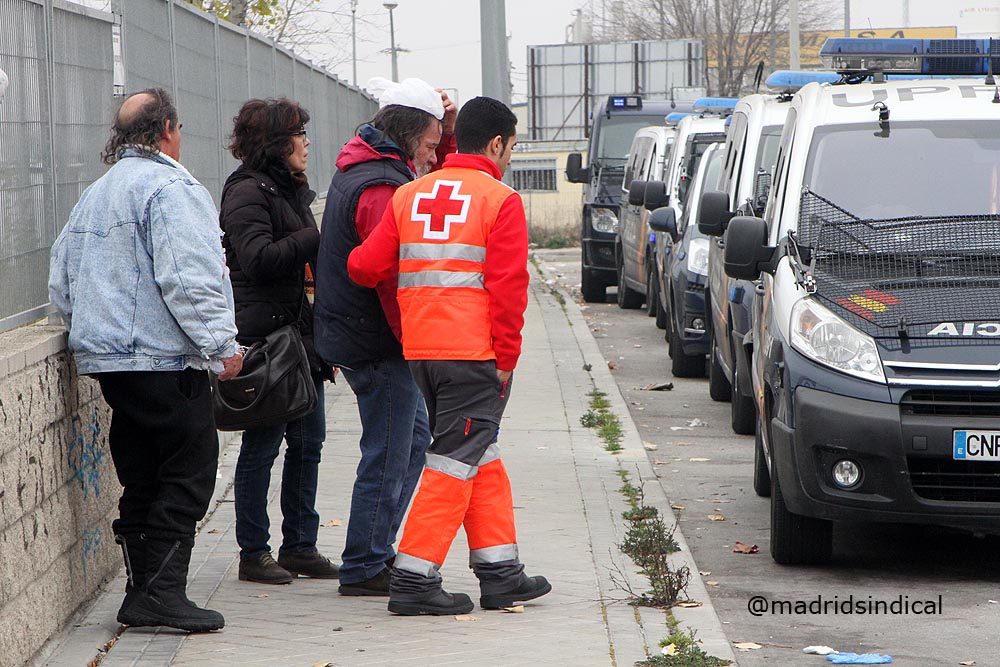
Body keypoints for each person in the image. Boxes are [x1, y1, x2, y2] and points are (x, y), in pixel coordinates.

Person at [347, 96, 551, 615]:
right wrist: (507, 358)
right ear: (498, 143)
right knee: (454, 462)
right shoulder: (500, 200)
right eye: (511, 147)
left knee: (479, 455)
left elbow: (363, 266)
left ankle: (501, 573)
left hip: (421, 353)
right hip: (474, 355)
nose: (510, 158)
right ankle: (414, 579)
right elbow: (509, 289)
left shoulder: (408, 195)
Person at [48, 87, 242, 632]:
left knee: (142, 475)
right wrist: (221, 347)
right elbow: (188, 277)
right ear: (169, 131)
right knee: (188, 470)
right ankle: (160, 593)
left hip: (108, 361)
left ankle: (143, 593)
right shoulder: (171, 187)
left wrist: (87, 329)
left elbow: (61, 278)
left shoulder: (98, 192)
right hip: (163, 360)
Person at [314, 78, 457, 597]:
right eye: (429, 142)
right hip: (377, 343)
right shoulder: (381, 187)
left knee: (411, 440)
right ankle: (366, 563)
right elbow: (387, 275)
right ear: (408, 133)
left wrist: (451, 123)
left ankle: (375, 551)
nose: (432, 153)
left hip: (364, 338)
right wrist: (417, 344)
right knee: (390, 451)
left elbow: (442, 176)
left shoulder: (374, 169)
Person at [220, 98, 338, 585]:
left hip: (298, 337)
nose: (306, 142)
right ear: (274, 142)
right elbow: (259, 259)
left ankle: (300, 545)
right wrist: (318, 237)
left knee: (309, 443)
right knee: (263, 444)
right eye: (298, 133)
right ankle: (253, 552)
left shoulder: (288, 189)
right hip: (265, 340)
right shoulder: (245, 192)